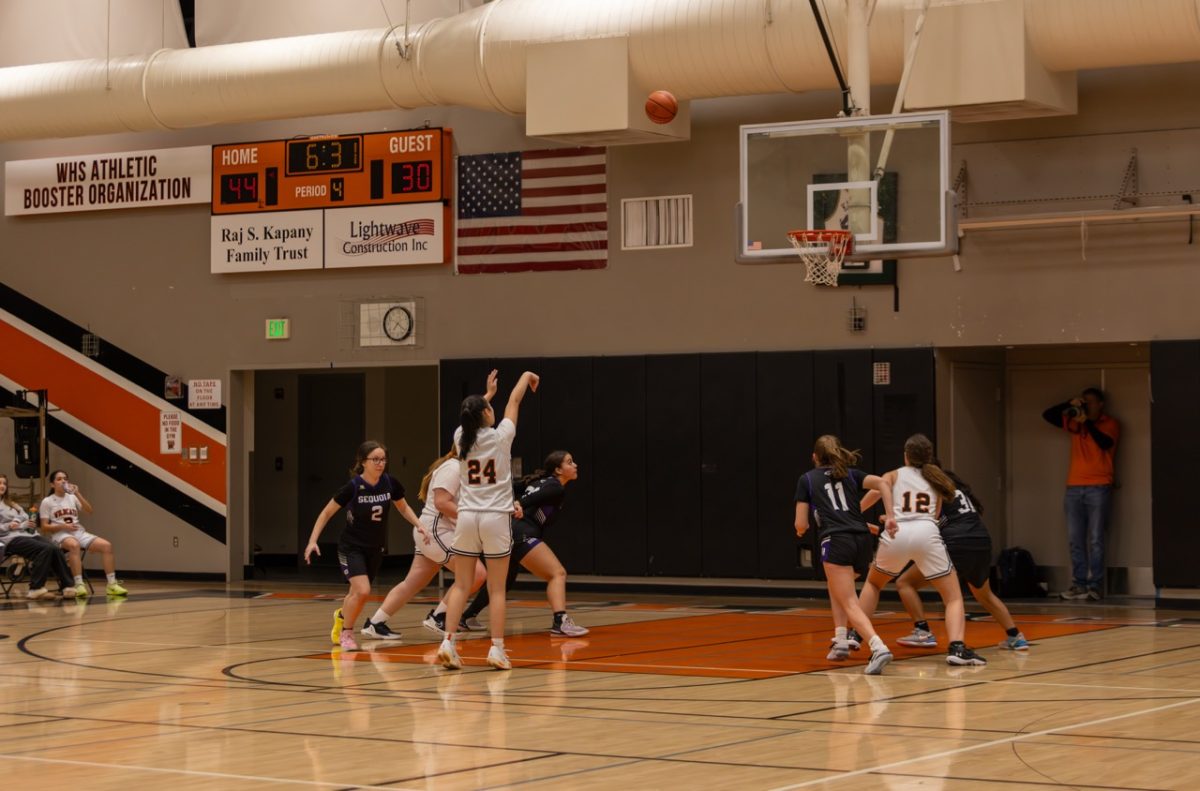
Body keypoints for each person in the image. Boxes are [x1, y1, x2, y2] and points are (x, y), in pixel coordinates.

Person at [437, 370, 540, 672]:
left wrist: (487, 394)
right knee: (496, 589)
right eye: (488, 407)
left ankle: (448, 642)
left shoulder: (460, 437)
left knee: (460, 584)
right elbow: (515, 401)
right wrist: (525, 376)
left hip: (467, 517)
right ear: (485, 414)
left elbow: (474, 413)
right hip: (495, 518)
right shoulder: (500, 437)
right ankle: (496, 649)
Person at [858, 434, 986, 667]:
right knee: (953, 596)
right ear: (929, 456)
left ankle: (855, 633)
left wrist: (859, 516)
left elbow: (870, 497)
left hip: (896, 533)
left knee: (874, 583)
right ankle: (957, 647)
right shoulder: (936, 478)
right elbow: (935, 515)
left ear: (905, 455)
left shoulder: (893, 475)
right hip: (927, 533)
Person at [447, 450, 589, 638]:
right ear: (558, 470)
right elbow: (534, 497)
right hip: (521, 534)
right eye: (570, 462)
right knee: (557, 573)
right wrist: (519, 503)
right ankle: (560, 621)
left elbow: (510, 486)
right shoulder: (555, 486)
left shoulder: (537, 482)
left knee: (503, 583)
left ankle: (467, 617)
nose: (575, 465)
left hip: (508, 533)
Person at [892, 465, 1029, 651]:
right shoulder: (957, 490)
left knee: (905, 583)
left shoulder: (932, 491)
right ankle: (1015, 636)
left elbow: (927, 522)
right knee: (984, 594)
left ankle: (922, 631)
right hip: (981, 542)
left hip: (956, 543)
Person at [303, 441, 425, 651]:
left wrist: (419, 524)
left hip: (375, 548)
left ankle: (341, 616)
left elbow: (403, 508)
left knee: (356, 596)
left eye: (383, 459)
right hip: (351, 547)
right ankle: (347, 634)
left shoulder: (389, 483)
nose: (380, 463)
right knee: (363, 590)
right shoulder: (352, 487)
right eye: (375, 459)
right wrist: (312, 541)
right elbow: (326, 513)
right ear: (363, 462)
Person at [360, 442, 488, 640]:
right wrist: (473, 517)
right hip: (437, 531)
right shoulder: (453, 467)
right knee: (475, 573)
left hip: (431, 532)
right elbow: (441, 503)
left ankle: (375, 623)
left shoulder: (467, 468)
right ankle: (439, 617)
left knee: (412, 582)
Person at [794, 435, 898, 675]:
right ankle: (841, 640)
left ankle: (877, 646)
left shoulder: (807, 479)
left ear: (815, 457)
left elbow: (801, 524)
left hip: (837, 539)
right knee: (838, 587)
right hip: (861, 540)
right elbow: (884, 483)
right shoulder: (851, 474)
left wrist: (801, 528)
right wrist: (890, 515)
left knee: (849, 600)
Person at [1042, 387, 1119, 600]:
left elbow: (1105, 443)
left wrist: (1087, 422)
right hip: (1074, 486)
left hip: (1099, 485)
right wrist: (1069, 403)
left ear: (1101, 404)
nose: (1087, 406)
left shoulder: (1109, 423)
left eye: (1091, 402)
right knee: (1075, 539)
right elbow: (1048, 415)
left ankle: (1096, 585)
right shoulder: (1076, 422)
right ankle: (1079, 583)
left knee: (1095, 538)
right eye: (1085, 402)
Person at [39, 470, 127, 597]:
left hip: (78, 532)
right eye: (59, 479)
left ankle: (112, 584)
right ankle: (79, 584)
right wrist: (63, 526)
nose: (63, 481)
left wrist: (78, 493)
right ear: (52, 484)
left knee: (106, 546)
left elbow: (89, 510)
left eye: (65, 478)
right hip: (60, 534)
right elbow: (44, 527)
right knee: (74, 545)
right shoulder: (47, 501)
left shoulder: (72, 497)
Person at [1, 473, 76, 599]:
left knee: (55, 548)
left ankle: (67, 586)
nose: (2, 486)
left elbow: (24, 516)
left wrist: (21, 522)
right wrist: (10, 525)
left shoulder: (11, 503)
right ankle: (36, 588)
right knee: (45, 549)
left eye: (4, 483)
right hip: (9, 538)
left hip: (27, 534)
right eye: (0, 483)